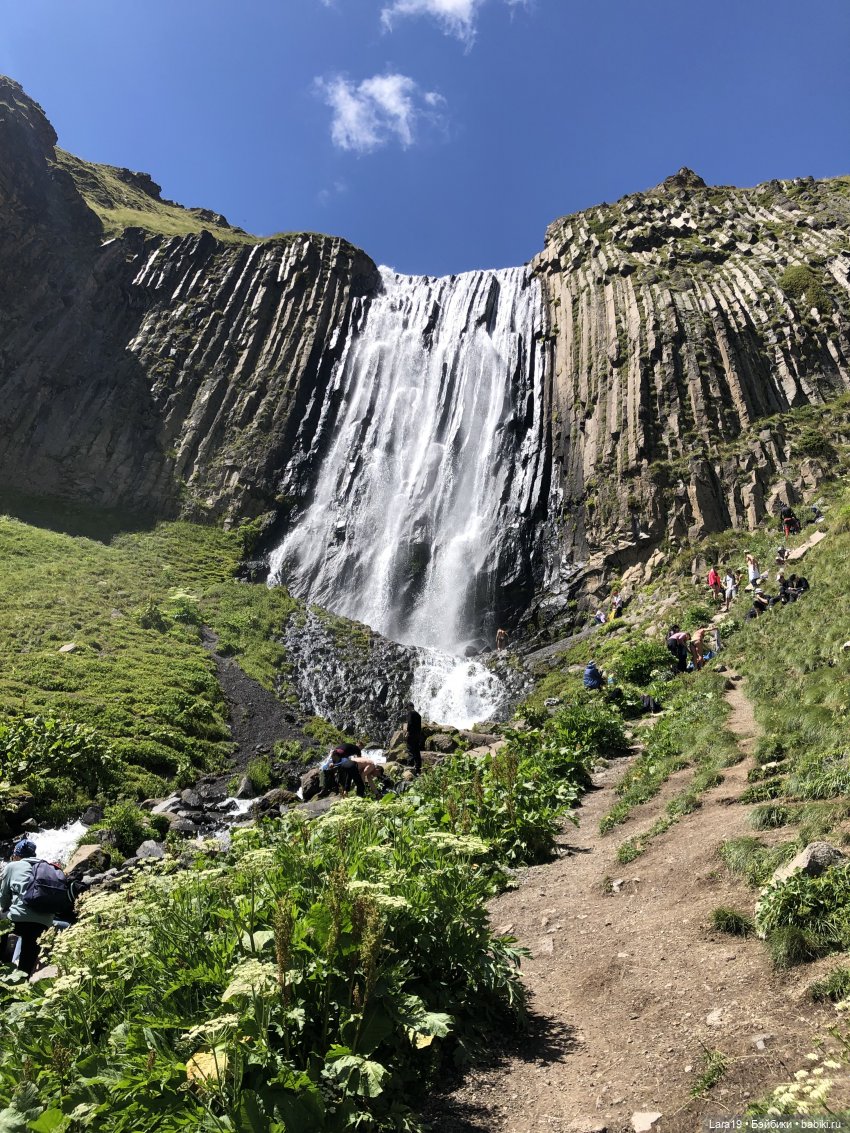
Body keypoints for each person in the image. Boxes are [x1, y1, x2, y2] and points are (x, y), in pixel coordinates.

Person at [0, 839, 54, 975]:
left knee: (2, 926)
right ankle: (22, 984)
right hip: (44, 922)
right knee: (26, 967)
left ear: (17, 855)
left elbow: (4, 897)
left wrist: (5, 910)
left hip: (18, 918)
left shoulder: (12, 866)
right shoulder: (48, 867)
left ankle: (3, 966)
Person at [404, 702, 423, 775]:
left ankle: (410, 766)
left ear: (409, 706)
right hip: (417, 735)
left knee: (410, 749)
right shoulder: (418, 715)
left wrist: (407, 733)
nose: (406, 709)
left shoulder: (410, 713)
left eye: (406, 707)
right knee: (417, 751)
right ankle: (418, 767)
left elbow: (410, 723)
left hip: (411, 735)